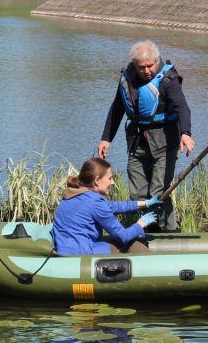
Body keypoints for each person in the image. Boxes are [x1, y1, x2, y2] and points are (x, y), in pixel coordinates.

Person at [97, 40, 194, 232]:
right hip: (137, 140)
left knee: (159, 192)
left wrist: (186, 133)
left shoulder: (167, 78)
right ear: (135, 64)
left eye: (150, 66)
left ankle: (168, 232)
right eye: (142, 67)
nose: (147, 70)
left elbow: (182, 107)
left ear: (156, 61)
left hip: (165, 140)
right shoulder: (126, 78)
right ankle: (146, 232)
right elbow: (117, 109)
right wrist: (106, 138)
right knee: (138, 194)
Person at [51, 157, 161, 256]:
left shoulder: (74, 194)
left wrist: (145, 203)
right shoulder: (94, 201)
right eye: (109, 178)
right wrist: (141, 223)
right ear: (97, 181)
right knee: (130, 243)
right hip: (80, 254)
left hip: (64, 250)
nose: (112, 182)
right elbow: (123, 236)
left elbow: (112, 206)